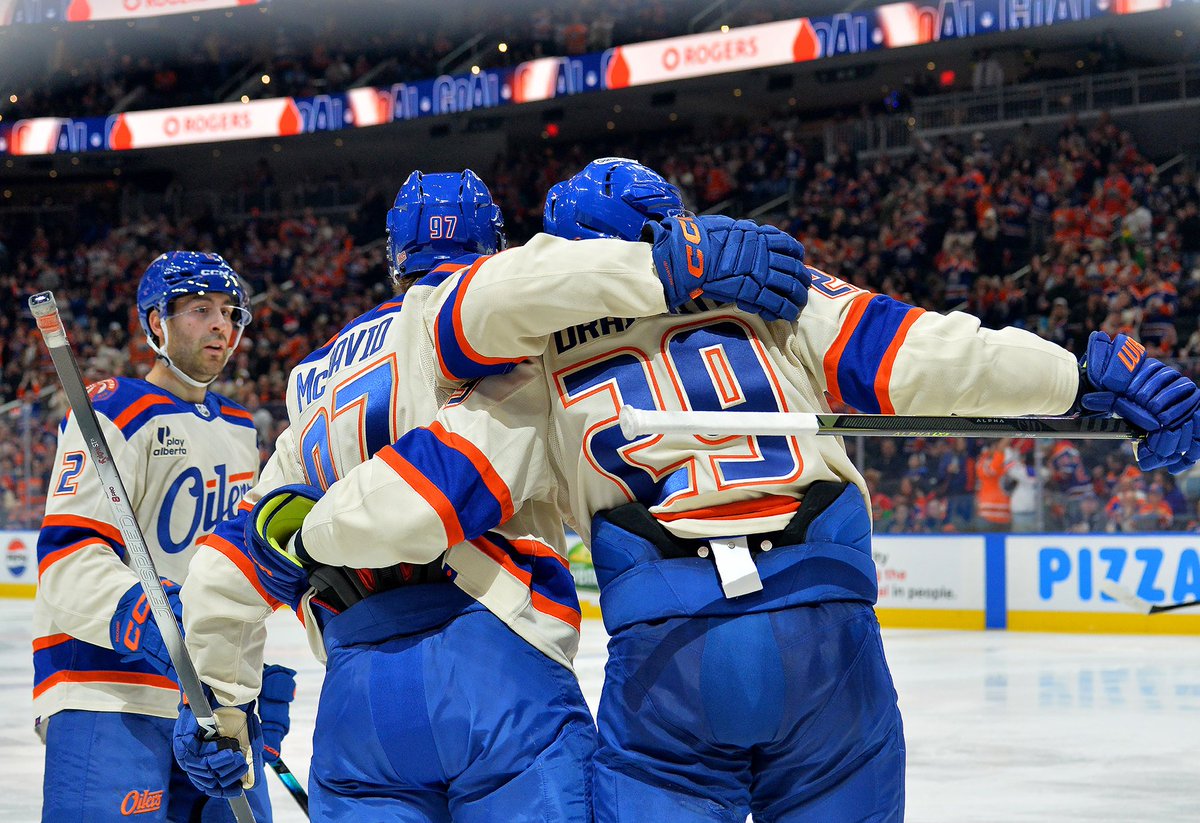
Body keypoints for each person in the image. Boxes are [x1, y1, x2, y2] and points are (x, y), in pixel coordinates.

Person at [258, 158, 1200, 822]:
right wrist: (1084, 374)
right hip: (825, 629)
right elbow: (928, 356)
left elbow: (431, 493)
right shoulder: (769, 288)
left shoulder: (536, 360)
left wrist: (313, 528)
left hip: (667, 658)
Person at [169, 167, 809, 820]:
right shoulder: (462, 306)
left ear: (395, 257)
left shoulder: (312, 381)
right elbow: (527, 287)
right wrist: (668, 266)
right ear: (496, 246)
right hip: (493, 657)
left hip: (357, 699)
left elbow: (231, 562)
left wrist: (216, 706)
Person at [33, 252, 293, 822]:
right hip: (109, 688)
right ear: (157, 323)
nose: (222, 326)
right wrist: (156, 625)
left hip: (211, 703)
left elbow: (233, 573)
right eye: (201, 310)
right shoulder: (114, 411)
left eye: (230, 313)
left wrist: (247, 684)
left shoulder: (241, 429)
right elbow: (68, 559)